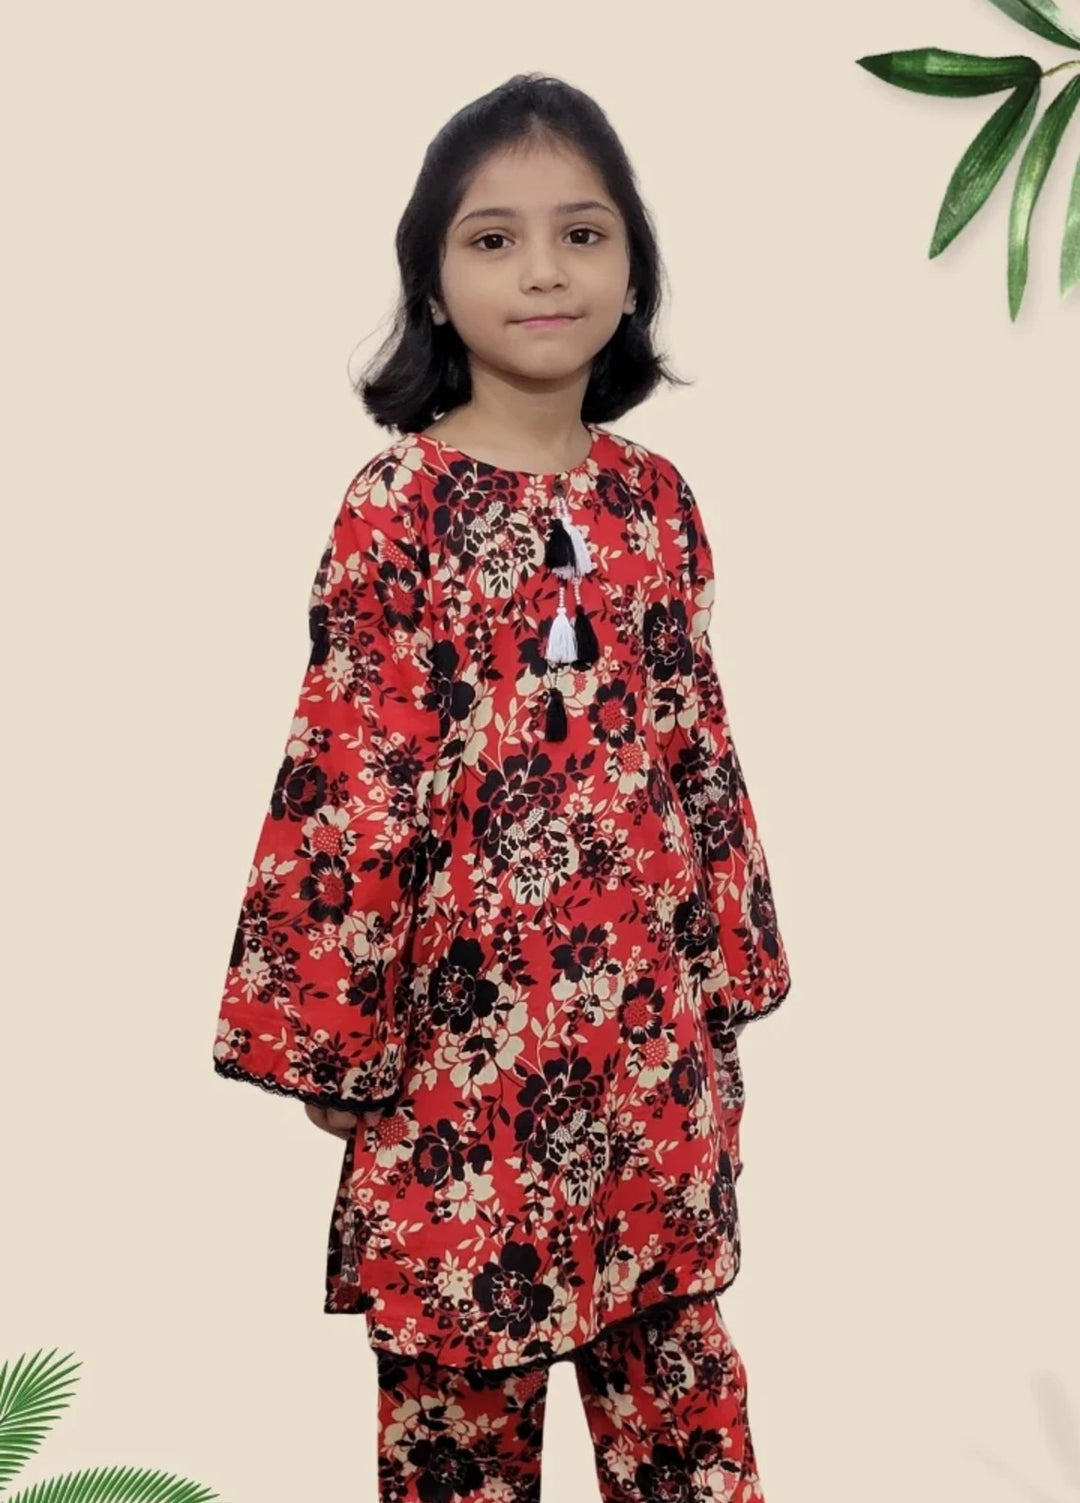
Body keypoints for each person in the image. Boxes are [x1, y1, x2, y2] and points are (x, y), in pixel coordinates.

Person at [212, 70, 792, 1503]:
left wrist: (731, 972)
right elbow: (351, 770)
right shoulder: (397, 507)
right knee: (458, 1409)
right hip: (458, 1060)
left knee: (678, 1382)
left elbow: (697, 743)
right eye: (494, 238)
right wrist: (329, 1041)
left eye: (583, 234)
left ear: (634, 271)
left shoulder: (657, 500)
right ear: (430, 280)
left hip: (648, 1045)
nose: (544, 270)